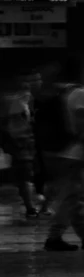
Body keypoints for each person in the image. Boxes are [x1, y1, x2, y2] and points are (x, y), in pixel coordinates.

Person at [39, 57, 84, 251]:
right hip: (72, 152)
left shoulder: (58, 92)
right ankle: (54, 237)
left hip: (53, 151)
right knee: (71, 198)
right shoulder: (80, 93)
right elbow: (82, 124)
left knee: (73, 197)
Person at [1, 83, 39, 218]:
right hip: (22, 146)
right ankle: (31, 208)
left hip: (21, 146)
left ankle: (31, 206)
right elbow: (16, 128)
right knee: (24, 177)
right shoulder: (17, 105)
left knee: (24, 177)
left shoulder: (19, 105)